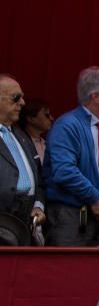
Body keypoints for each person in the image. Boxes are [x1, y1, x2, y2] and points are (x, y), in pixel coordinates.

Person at [44, 67, 99, 246]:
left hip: (97, 213)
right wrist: (94, 197)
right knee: (66, 270)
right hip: (70, 215)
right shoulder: (67, 125)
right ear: (96, 96)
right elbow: (64, 171)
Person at [0, 75, 45, 229]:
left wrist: (38, 205)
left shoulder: (21, 136)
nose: (22, 102)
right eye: (16, 97)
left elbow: (39, 178)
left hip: (25, 221)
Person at [17, 97, 52, 164]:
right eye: (46, 115)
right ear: (30, 118)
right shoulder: (20, 143)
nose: (51, 118)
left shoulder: (47, 142)